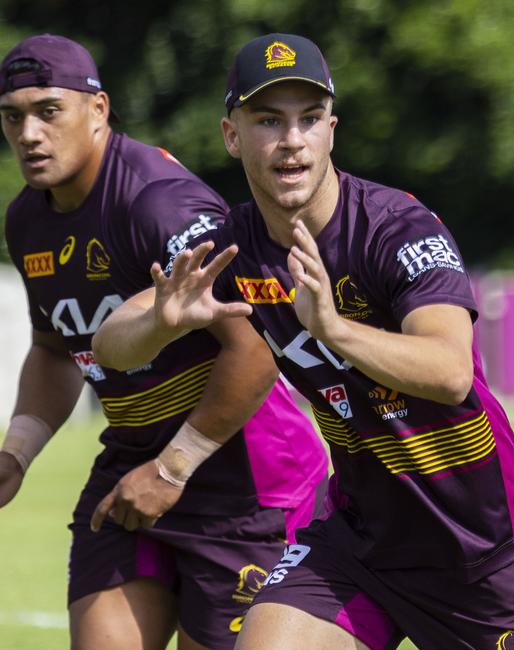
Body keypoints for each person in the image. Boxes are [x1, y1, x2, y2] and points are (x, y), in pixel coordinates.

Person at [93, 33, 514, 650]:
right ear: (232, 136)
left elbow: (449, 371)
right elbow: (111, 346)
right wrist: (162, 317)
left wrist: (334, 328)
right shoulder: (233, 245)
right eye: (268, 120)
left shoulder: (398, 229)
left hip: (477, 545)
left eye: (309, 119)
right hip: (356, 539)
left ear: (331, 131)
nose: (292, 140)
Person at [0, 34, 329, 650]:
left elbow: (256, 342)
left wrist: (174, 468)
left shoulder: (160, 204)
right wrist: (16, 450)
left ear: (97, 111)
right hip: (133, 465)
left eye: (48, 110)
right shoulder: (26, 218)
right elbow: (53, 348)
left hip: (246, 482)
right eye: (12, 115)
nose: (29, 133)